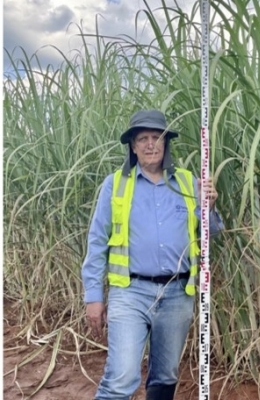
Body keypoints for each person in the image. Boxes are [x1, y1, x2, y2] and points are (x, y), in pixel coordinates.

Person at [81, 109, 223, 400]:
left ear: (165, 143)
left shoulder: (188, 183)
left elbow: (211, 232)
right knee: (121, 377)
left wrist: (208, 205)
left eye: (157, 137)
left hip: (177, 293)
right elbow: (97, 241)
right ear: (132, 146)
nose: (150, 144)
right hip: (130, 292)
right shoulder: (116, 184)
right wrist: (93, 297)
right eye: (142, 138)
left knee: (166, 375)